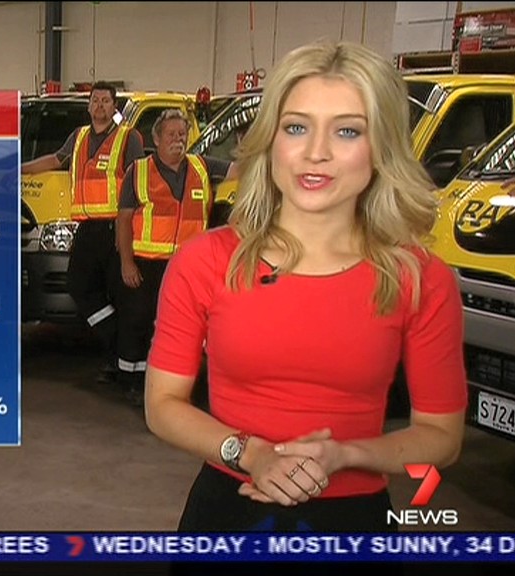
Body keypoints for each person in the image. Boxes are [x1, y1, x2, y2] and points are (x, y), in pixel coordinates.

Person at [144, 40, 467, 541]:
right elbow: (162, 403)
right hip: (226, 515)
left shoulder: (421, 278)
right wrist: (251, 453)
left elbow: (442, 437)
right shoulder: (205, 261)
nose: (316, 152)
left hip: (356, 525)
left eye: (347, 131)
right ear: (271, 139)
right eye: (296, 127)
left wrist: (345, 455)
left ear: (381, 147)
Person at [22, 81, 145, 380]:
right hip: (87, 229)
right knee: (79, 286)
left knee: (120, 295)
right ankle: (115, 340)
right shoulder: (78, 137)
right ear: (89, 106)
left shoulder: (128, 138)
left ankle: (124, 368)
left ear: (114, 107)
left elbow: (138, 180)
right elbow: (55, 160)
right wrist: (20, 168)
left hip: (117, 228)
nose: (100, 105)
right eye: (95, 100)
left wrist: (127, 229)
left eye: (106, 101)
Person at [115, 109, 213, 407]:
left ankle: (173, 385)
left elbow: (240, 169)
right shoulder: (138, 171)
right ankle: (131, 382)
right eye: (171, 134)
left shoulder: (202, 167)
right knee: (138, 321)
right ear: (156, 139)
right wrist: (126, 262)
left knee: (182, 326)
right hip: (146, 263)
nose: (177, 139)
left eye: (182, 134)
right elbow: (123, 219)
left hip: (187, 268)